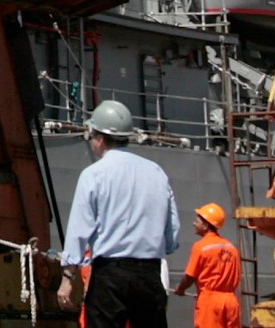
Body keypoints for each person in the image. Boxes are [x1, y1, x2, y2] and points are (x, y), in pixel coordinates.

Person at [55, 100, 182, 328]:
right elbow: (172, 230)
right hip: (149, 275)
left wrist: (67, 277)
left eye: (92, 136)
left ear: (100, 138)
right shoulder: (156, 172)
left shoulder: (93, 175)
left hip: (110, 277)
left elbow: (78, 230)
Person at [176, 203, 242, 328]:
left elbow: (189, 277)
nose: (194, 224)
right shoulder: (232, 248)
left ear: (206, 225)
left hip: (210, 302)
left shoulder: (200, 247)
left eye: (197, 221)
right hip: (231, 301)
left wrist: (180, 289)